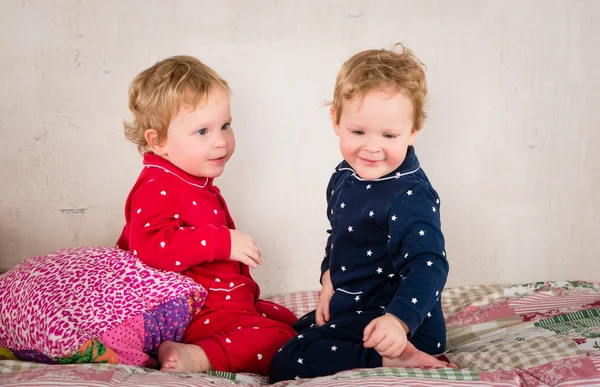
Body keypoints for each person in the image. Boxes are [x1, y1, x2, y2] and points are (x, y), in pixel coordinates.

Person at [270, 44, 454, 382]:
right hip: (354, 306)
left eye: (389, 135)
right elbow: (338, 237)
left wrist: (398, 321)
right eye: (358, 132)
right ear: (336, 121)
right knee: (280, 332)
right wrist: (329, 277)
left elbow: (429, 265)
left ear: (413, 131)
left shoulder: (409, 194)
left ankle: (394, 359)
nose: (372, 147)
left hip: (399, 324)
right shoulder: (344, 176)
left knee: (286, 359)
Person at [117, 55, 297, 375]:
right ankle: (198, 356)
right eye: (202, 131)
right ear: (158, 142)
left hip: (223, 303)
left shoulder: (189, 180)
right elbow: (149, 245)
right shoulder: (158, 185)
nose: (220, 141)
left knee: (289, 321)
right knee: (280, 340)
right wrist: (221, 241)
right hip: (195, 313)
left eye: (225, 126)